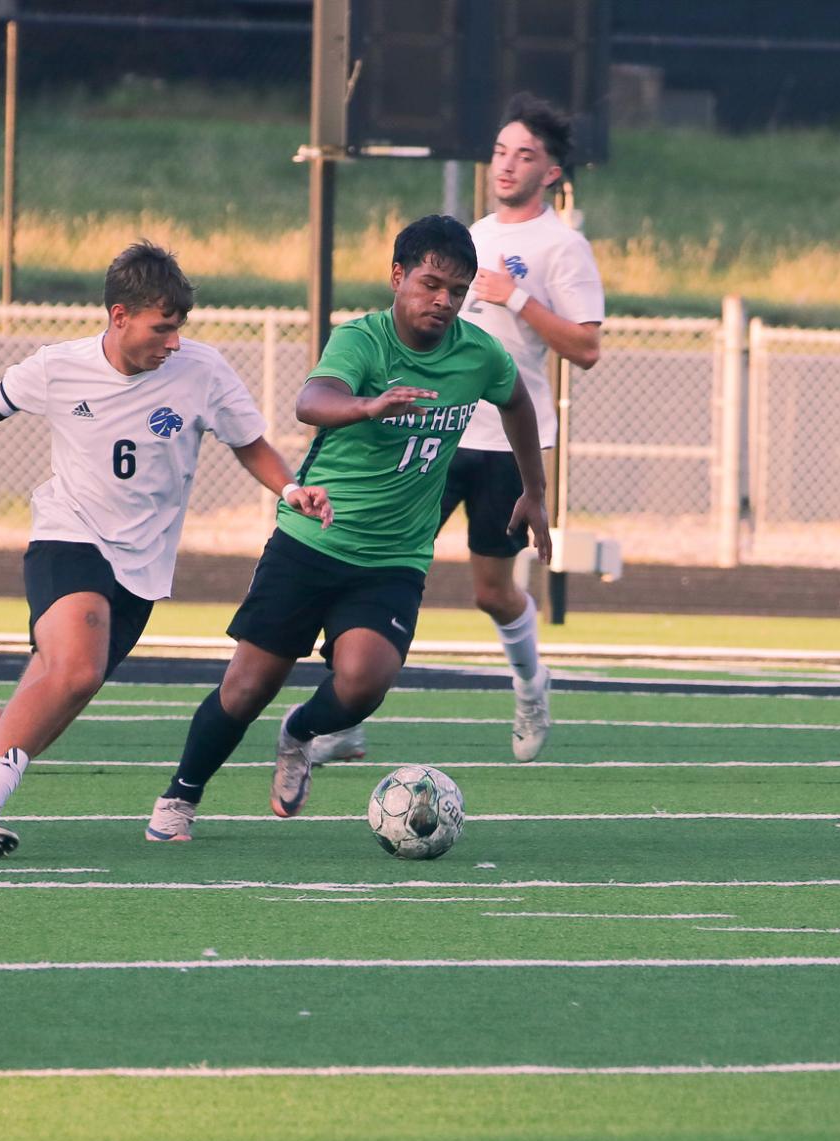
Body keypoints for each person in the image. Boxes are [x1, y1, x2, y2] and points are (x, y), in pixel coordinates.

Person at [0, 241, 324, 857]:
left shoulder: (205, 371)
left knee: (34, 719)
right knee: (77, 670)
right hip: (70, 535)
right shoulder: (58, 366)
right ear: (119, 316)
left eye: (179, 328)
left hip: (140, 571)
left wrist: (290, 487)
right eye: (161, 327)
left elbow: (251, 444)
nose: (173, 341)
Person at [143, 214, 549, 844]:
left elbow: (517, 401)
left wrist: (536, 491)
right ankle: (180, 797)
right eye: (431, 283)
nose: (443, 300)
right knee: (247, 685)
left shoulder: (477, 354)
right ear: (397, 276)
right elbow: (311, 401)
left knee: (366, 681)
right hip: (312, 540)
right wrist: (368, 405)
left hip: (394, 556)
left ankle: (301, 732)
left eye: (458, 290)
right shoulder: (362, 342)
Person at [308, 92, 601, 769]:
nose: (506, 165)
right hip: (433, 433)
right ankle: (345, 715)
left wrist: (517, 297)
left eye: (524, 155)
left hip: (504, 443)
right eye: (500, 151)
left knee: (490, 592)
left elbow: (584, 349)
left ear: (551, 172)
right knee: (366, 559)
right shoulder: (473, 235)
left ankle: (531, 685)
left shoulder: (563, 246)